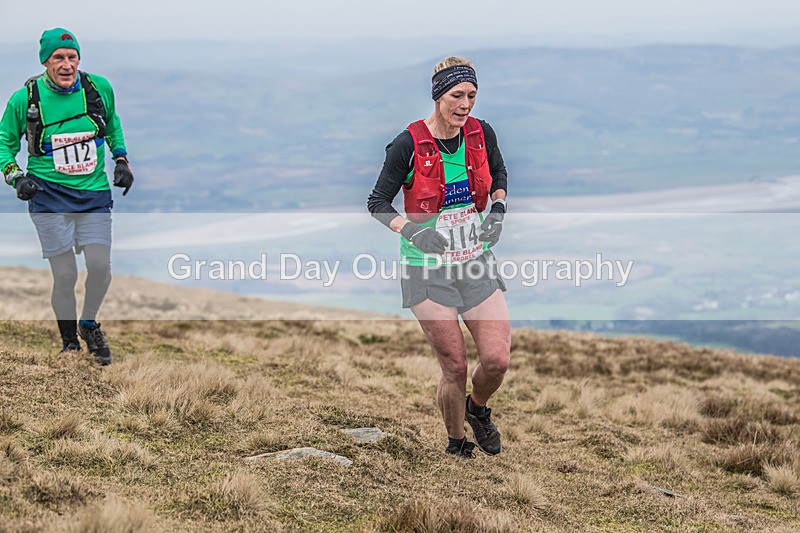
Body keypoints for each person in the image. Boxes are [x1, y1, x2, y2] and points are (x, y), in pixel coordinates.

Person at [368, 57, 510, 458]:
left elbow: (499, 174)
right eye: (457, 96)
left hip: (474, 261)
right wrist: (412, 231)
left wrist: (497, 212)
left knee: (497, 360)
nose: (465, 105)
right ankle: (456, 443)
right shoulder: (408, 144)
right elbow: (377, 202)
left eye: (472, 96)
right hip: (425, 269)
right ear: (438, 97)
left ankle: (477, 410)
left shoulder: (481, 134)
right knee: (455, 367)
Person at [0, 28, 134, 365]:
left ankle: (89, 324)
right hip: (48, 194)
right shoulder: (24, 99)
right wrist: (15, 177)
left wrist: (121, 160)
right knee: (65, 275)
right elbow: (4, 143)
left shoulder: (98, 88)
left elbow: (112, 124)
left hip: (92, 193)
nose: (66, 64)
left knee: (100, 267)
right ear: (45, 61)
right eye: (58, 58)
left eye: (72, 57)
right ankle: (69, 342)